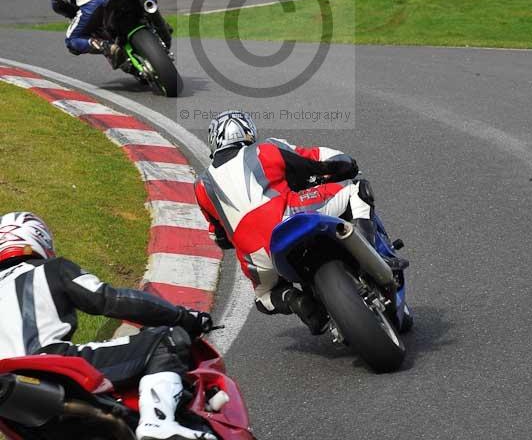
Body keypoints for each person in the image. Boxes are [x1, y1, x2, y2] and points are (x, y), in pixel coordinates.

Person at [0, 211, 215, 440]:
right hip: (49, 362)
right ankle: (158, 423)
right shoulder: (51, 269)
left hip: (8, 391)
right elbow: (110, 300)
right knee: (166, 339)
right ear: (39, 238)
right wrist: (182, 317)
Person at [195, 110, 401, 335]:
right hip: (288, 216)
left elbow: (220, 237)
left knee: (263, 298)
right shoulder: (266, 149)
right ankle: (372, 255)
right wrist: (347, 165)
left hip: (255, 254)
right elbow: (318, 159)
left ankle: (296, 301)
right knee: (357, 190)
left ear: (215, 142)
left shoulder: (201, 186)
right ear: (248, 132)